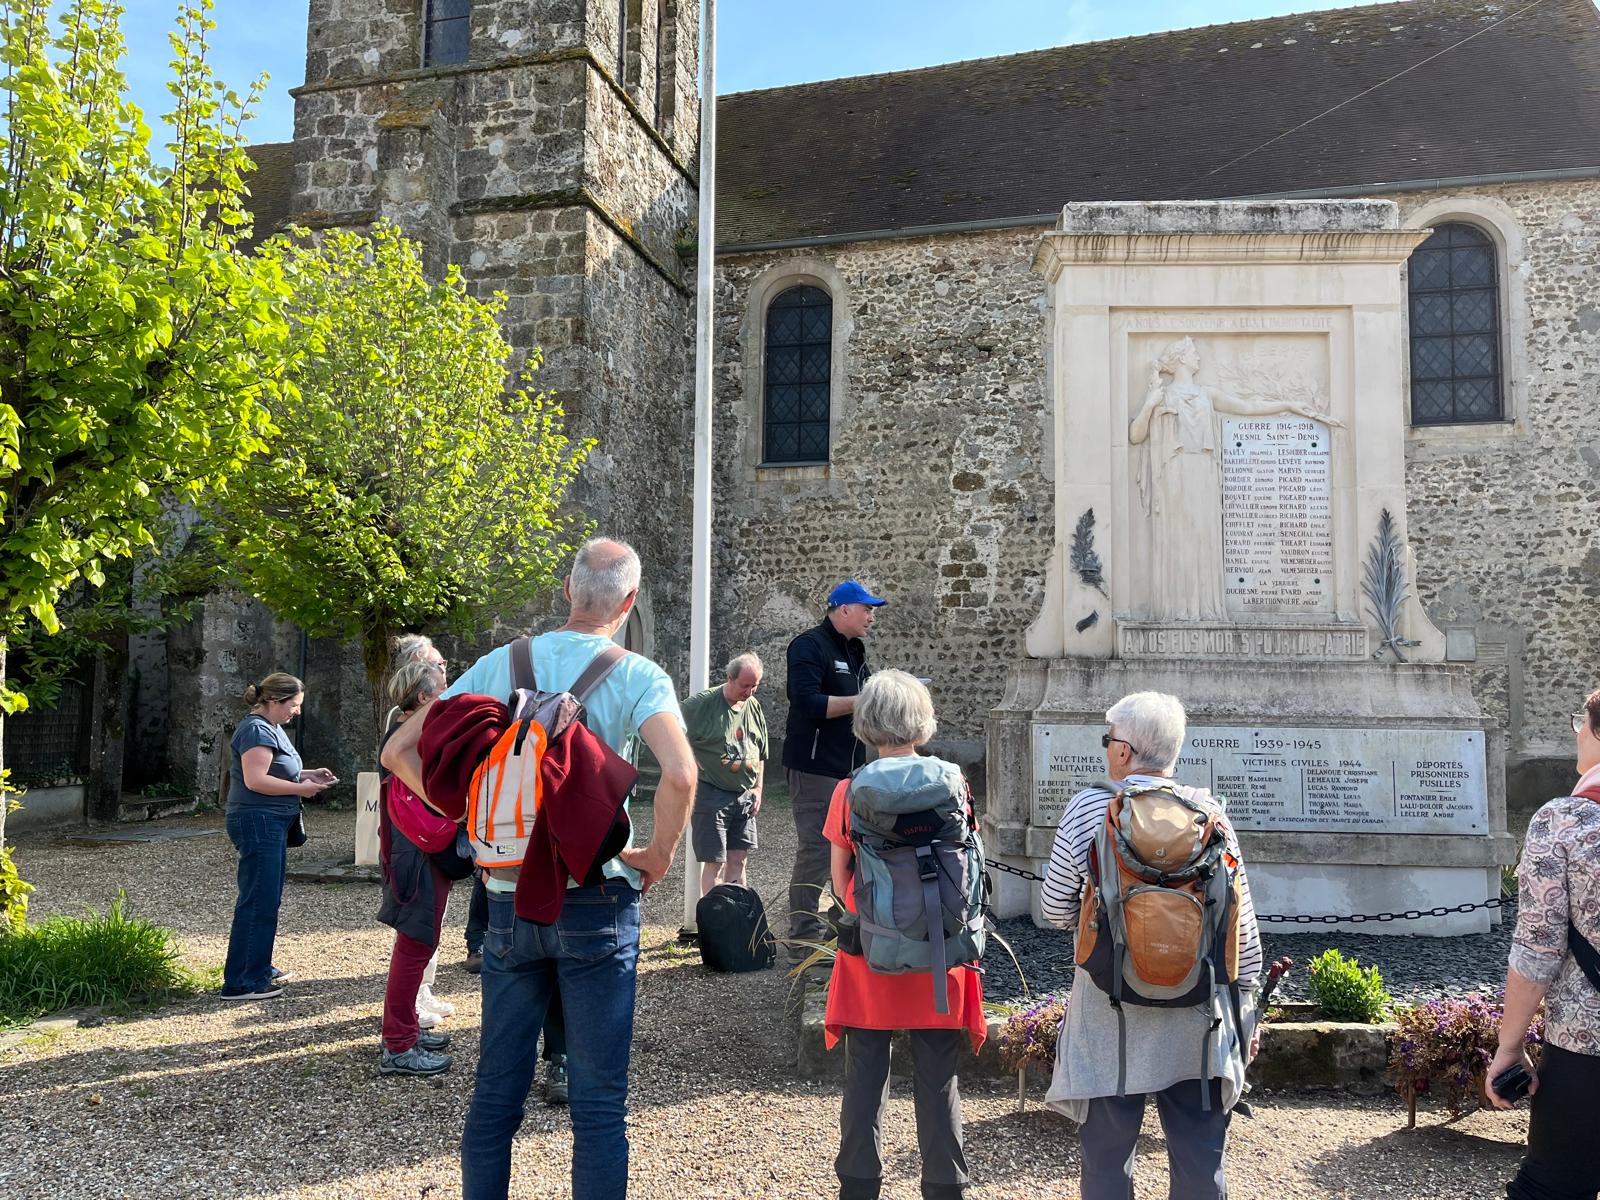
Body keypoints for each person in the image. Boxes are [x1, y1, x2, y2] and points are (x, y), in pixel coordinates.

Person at [382, 536, 697, 1200]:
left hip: (506, 896)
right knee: (599, 1102)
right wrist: (658, 856)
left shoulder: (501, 662)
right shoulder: (639, 674)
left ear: (567, 589)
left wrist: (465, 811)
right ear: (629, 602)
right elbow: (680, 773)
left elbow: (398, 751)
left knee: (496, 1092)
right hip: (597, 896)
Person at [1040, 691, 1262, 1200]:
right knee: (1199, 1161)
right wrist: (1247, 1010)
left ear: (1123, 750)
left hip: (1110, 1006)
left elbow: (1054, 908)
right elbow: (1241, 926)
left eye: (1108, 740)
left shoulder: (1090, 807)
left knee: (1106, 1161)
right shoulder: (1210, 815)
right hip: (1197, 1015)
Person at [825, 670, 983, 1200]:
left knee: (864, 1073)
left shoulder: (850, 790)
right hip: (941, 947)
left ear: (867, 723)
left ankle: (859, 1185)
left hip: (873, 947)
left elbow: (840, 881)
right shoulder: (954, 782)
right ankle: (945, 1185)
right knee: (939, 1077)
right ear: (922, 721)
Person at [1130, 336, 1334, 621]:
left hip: (1204, 470)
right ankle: (1176, 609)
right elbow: (1136, 436)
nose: (1198, 357)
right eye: (1193, 352)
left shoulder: (1207, 394)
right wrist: (1149, 404)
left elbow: (1247, 407)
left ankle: (1205, 607)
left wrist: (1288, 404)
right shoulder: (1161, 395)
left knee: (1204, 535)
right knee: (1179, 539)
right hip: (1174, 474)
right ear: (1181, 359)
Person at [1486, 691, 1600, 1199]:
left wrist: (1510, 1046)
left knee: (1553, 1189)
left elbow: (1538, 949)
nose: (1577, 733)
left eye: (1581, 722)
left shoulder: (1566, 822)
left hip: (1587, 1043)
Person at [220, 673, 335, 1000]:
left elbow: (275, 770)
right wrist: (301, 789)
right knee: (259, 899)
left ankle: (256, 966)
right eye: (293, 705)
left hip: (268, 821)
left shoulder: (269, 727)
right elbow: (256, 780)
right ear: (273, 701)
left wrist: (308, 774)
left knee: (265, 898)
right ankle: (243, 982)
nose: (297, 711)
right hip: (258, 821)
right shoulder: (256, 729)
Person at [784, 580, 884, 952]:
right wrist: (864, 700)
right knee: (816, 850)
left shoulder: (855, 650)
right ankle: (803, 936)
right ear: (844, 609)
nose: (872, 618)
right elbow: (807, 703)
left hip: (851, 767)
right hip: (814, 768)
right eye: (867, 609)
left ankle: (841, 928)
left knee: (851, 847)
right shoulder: (808, 645)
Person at [376, 656, 456, 1076]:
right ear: (424, 698)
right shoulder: (408, 738)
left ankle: (404, 1030)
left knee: (418, 943)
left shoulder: (403, 732)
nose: (450, 690)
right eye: (443, 685)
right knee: (415, 945)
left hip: (416, 848)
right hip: (417, 850)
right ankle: (399, 1044)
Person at [684, 652, 768, 897]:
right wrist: (687, 755)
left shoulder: (753, 706)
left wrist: (758, 789)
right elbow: (668, 727)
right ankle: (714, 916)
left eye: (755, 686)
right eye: (745, 685)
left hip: (745, 794)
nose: (749, 692)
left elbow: (760, 751)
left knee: (739, 859)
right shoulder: (701, 704)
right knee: (715, 863)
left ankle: (737, 914)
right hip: (711, 793)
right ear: (729, 678)